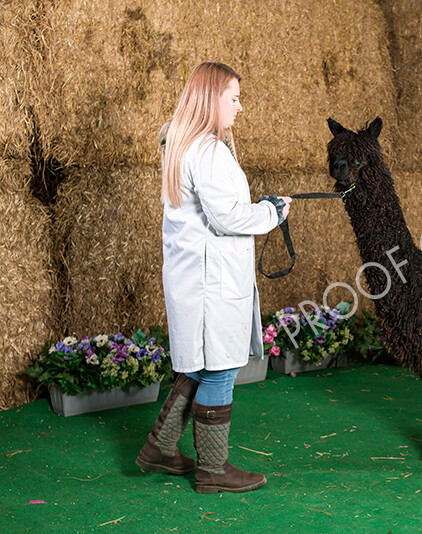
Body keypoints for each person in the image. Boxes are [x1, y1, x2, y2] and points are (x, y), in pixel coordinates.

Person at [136, 61, 290, 494]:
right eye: (234, 98)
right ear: (211, 98)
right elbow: (227, 217)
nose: (240, 107)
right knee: (219, 370)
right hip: (210, 285)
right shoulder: (207, 150)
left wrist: (259, 208)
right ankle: (213, 471)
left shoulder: (184, 146)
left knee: (201, 366)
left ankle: (159, 450)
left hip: (196, 280)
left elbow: (220, 210)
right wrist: (273, 212)